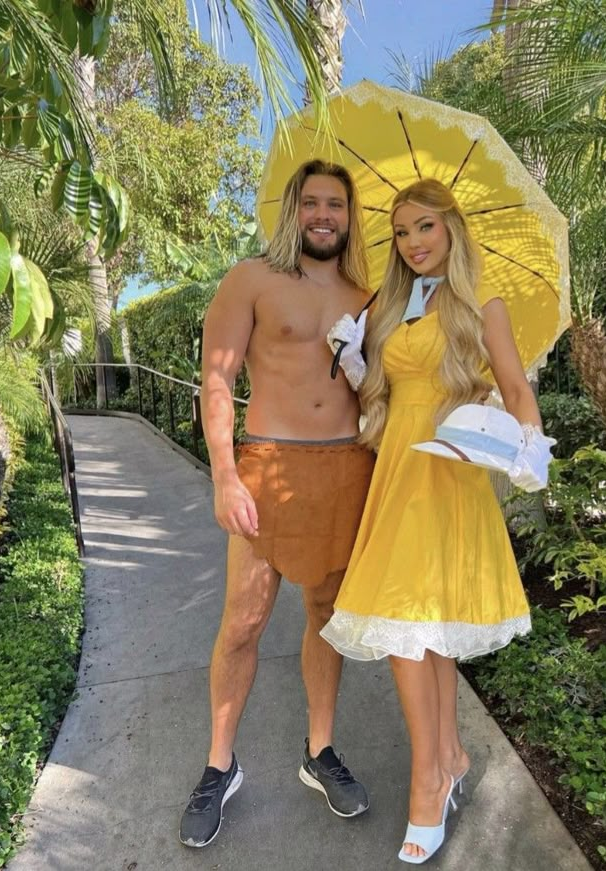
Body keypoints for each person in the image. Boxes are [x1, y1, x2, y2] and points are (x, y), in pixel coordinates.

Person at [321, 178, 555, 864]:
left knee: (420, 627)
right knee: (416, 626)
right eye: (401, 232)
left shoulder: (483, 304)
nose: (412, 243)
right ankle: (448, 755)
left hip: (448, 471)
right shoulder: (387, 307)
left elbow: (515, 389)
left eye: (424, 227)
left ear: (451, 229)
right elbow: (377, 399)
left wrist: (528, 446)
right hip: (398, 469)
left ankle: (430, 778)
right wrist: (356, 357)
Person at [179, 160, 375, 849]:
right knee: (243, 621)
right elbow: (216, 374)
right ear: (295, 209)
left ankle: (320, 750)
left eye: (337, 206)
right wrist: (225, 474)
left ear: (350, 217)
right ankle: (219, 764)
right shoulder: (252, 279)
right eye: (314, 202)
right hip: (267, 464)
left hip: (345, 470)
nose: (325, 215)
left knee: (324, 616)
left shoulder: (370, 291)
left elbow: (388, 386)